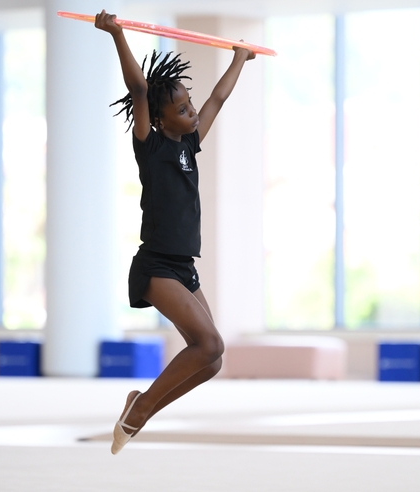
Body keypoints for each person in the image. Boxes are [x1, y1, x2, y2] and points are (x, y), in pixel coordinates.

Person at [94, 9, 256, 454]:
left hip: (184, 267)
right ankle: (141, 410)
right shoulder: (151, 146)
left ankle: (140, 404)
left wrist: (239, 57)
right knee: (210, 342)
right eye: (182, 109)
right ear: (162, 120)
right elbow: (139, 88)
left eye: (189, 105)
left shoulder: (189, 142)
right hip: (158, 266)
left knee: (211, 361)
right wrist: (117, 34)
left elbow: (218, 100)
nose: (191, 112)